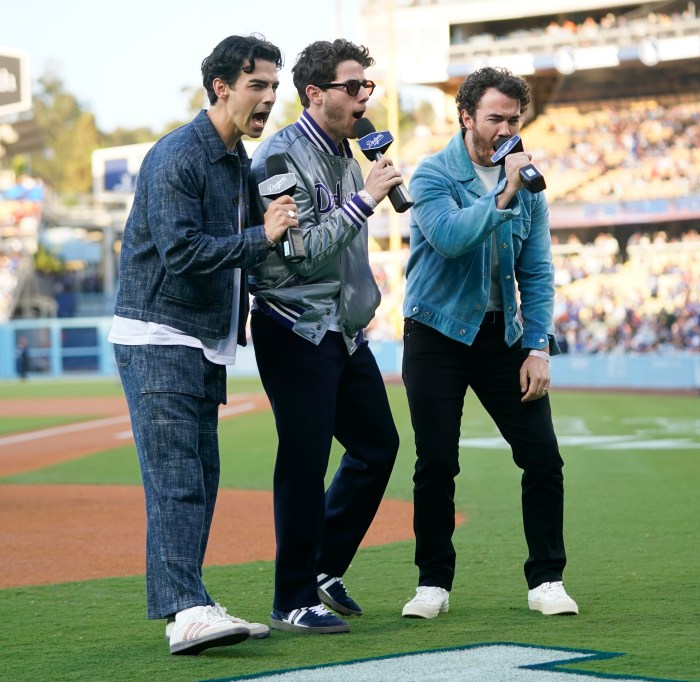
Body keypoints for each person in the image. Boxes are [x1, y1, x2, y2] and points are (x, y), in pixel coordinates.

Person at [109, 34, 296, 656]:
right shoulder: (177, 156)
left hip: (201, 341)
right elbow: (183, 255)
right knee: (177, 481)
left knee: (201, 479)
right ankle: (183, 611)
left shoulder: (235, 161)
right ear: (221, 87)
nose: (271, 97)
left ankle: (190, 597)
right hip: (158, 334)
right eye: (258, 85)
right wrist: (262, 237)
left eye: (275, 85)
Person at [399, 67, 578, 620]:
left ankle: (547, 579)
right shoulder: (432, 175)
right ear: (467, 117)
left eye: (514, 119)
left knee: (543, 458)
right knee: (436, 462)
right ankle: (433, 582)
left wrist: (538, 347)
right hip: (436, 333)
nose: (505, 128)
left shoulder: (530, 187)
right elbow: (451, 239)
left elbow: (538, 272)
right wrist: (503, 190)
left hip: (504, 335)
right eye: (495, 117)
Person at [248, 39, 402, 635]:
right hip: (294, 326)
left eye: (368, 86)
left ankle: (322, 567)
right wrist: (366, 200)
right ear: (314, 94)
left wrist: (365, 190)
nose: (365, 97)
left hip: (343, 329)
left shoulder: (347, 152)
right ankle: (291, 598)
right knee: (305, 460)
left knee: (377, 447)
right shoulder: (280, 157)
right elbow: (297, 253)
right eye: (353, 86)